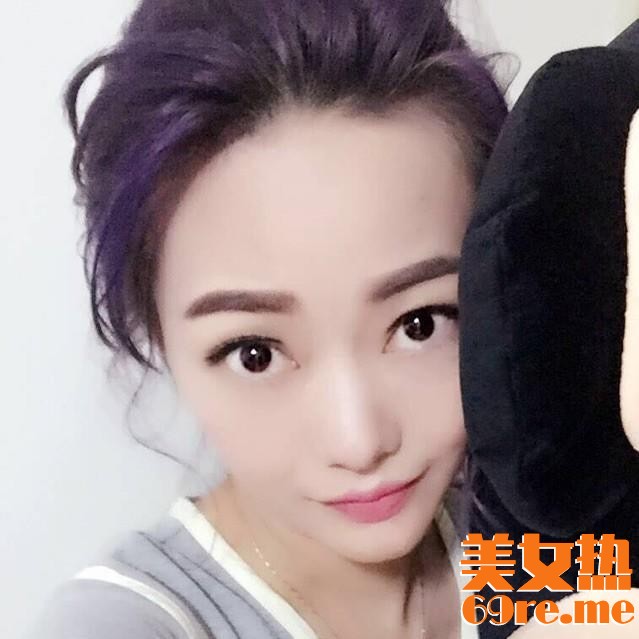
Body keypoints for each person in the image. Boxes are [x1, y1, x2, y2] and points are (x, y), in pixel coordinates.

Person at [26, 1, 508, 638]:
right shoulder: (129, 625)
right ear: (159, 333)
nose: (359, 442)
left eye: (421, 323)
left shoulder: (531, 537)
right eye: (255, 353)